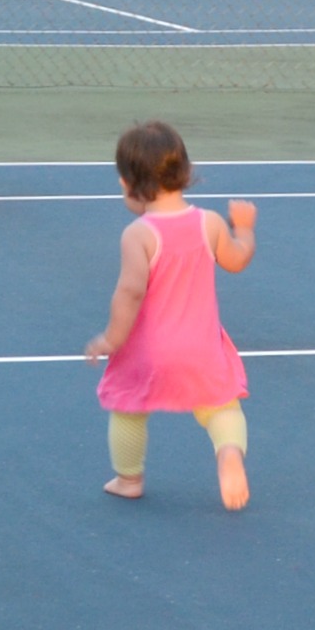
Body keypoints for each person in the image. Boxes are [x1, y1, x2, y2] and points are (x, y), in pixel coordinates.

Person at [85, 120, 259, 509]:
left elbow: (130, 291)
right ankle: (229, 454)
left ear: (130, 183)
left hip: (148, 350)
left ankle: (129, 479)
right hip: (202, 348)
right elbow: (237, 260)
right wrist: (245, 230)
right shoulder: (210, 222)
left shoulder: (138, 234)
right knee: (221, 406)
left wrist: (111, 338)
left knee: (128, 407)